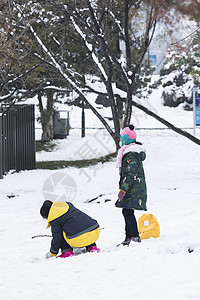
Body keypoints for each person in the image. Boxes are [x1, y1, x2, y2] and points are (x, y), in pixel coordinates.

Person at [115, 125, 147, 246]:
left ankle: (134, 236)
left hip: (134, 187)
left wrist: (123, 189)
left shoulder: (131, 154)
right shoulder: (129, 153)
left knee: (127, 211)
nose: (120, 141)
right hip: (133, 187)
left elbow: (131, 173)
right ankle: (129, 237)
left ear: (126, 139)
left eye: (122, 138)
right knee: (126, 211)